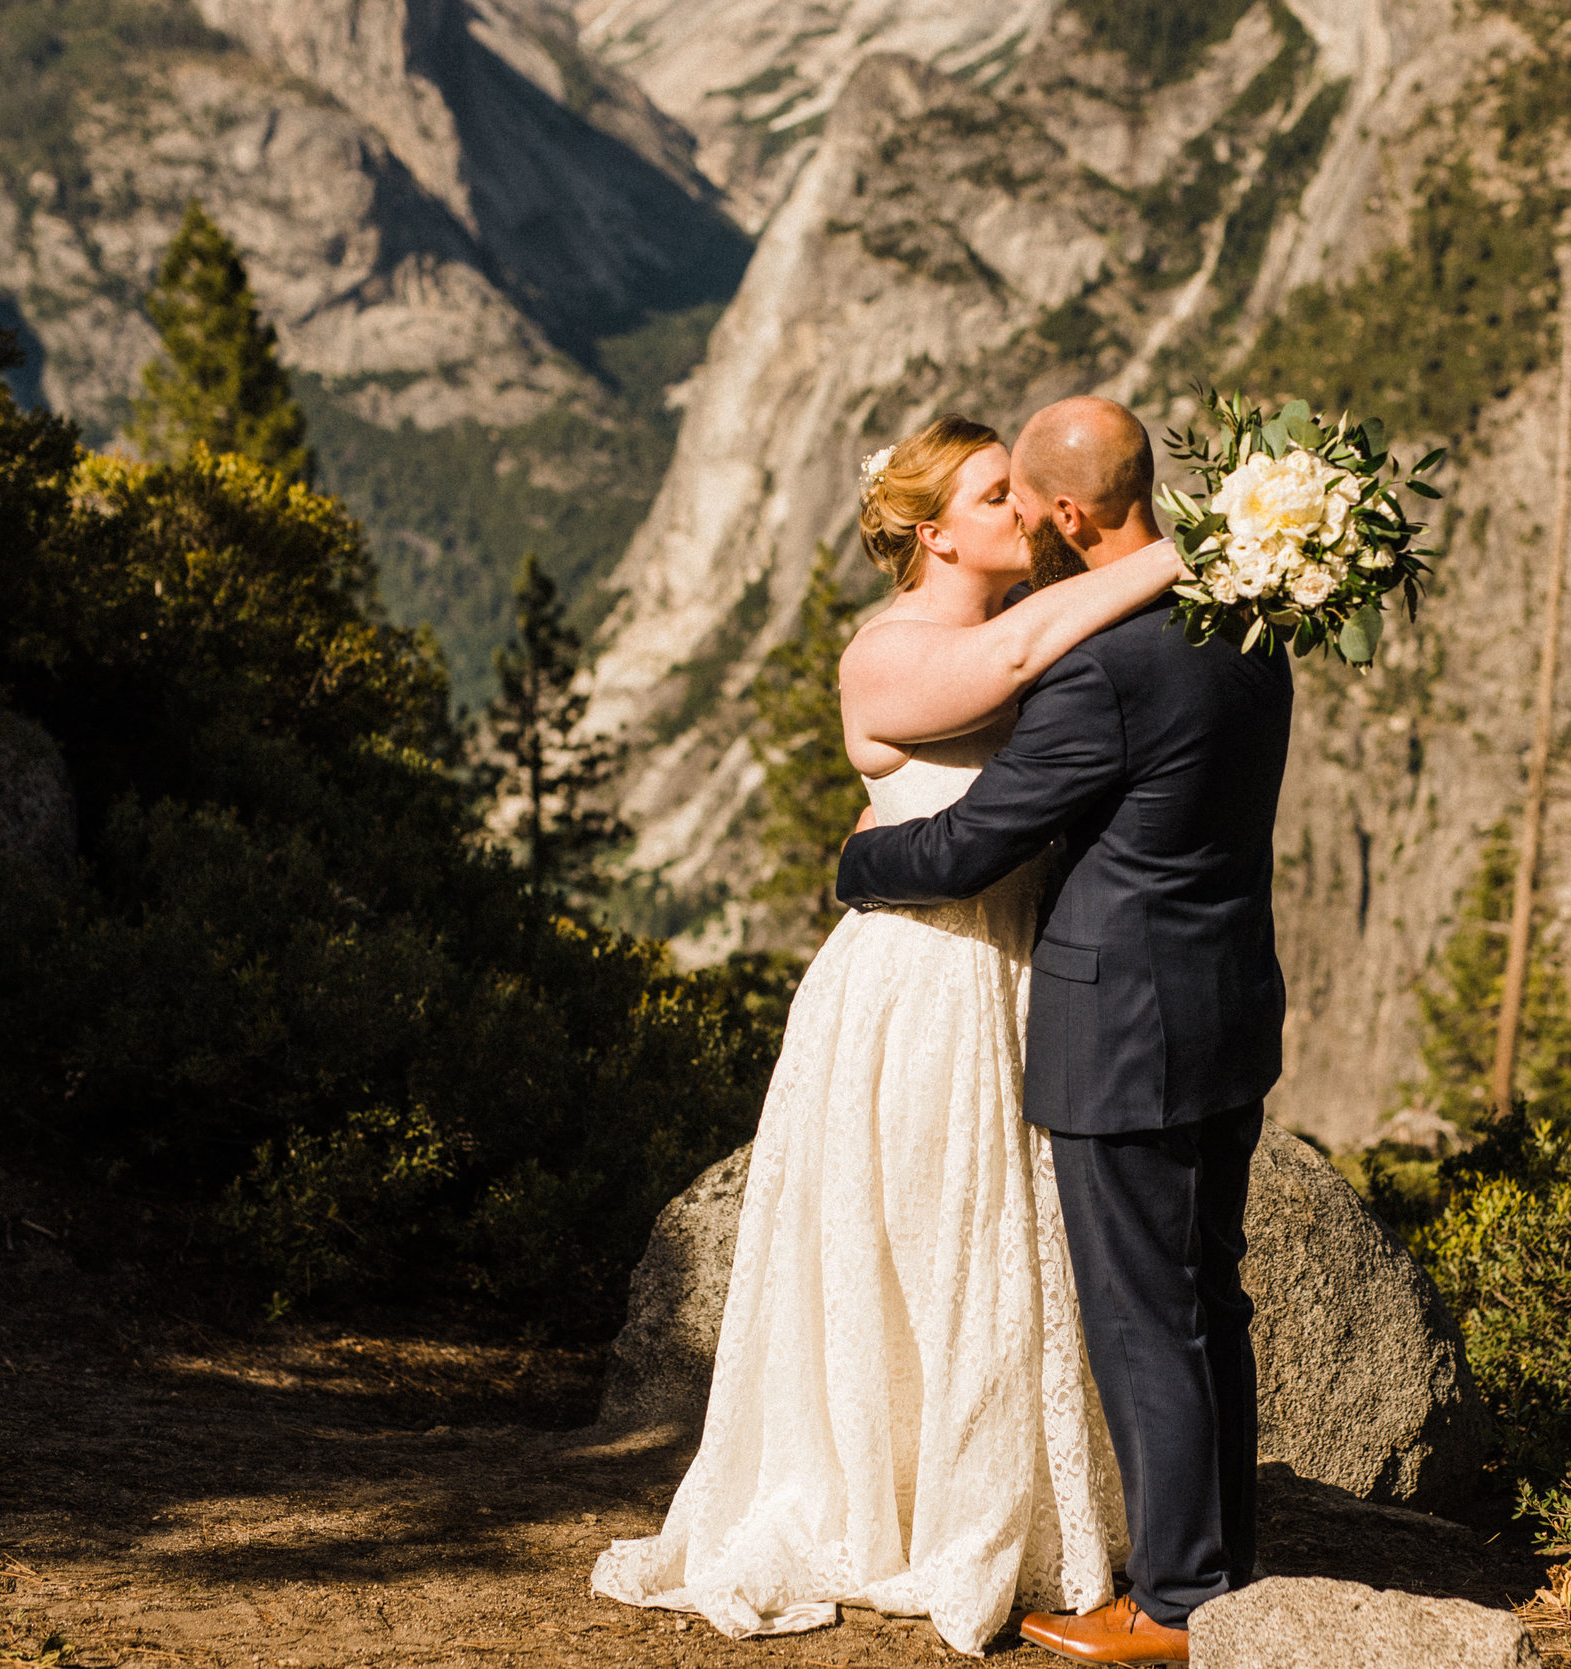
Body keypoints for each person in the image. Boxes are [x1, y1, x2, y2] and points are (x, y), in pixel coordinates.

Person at [590, 414, 1188, 1655]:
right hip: (920, 985)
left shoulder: (1039, 626)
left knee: (1010, 1255)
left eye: (1023, 493)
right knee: (923, 1245)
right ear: (930, 531)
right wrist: (1215, 552)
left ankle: (998, 1504)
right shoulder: (891, 653)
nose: (1024, 512)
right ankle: (886, 1507)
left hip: (1028, 969)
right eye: (992, 497)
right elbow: (1021, 650)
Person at [837, 396, 1295, 1666]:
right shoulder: (1249, 619)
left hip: (1120, 1025)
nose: (1024, 526)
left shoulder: (1101, 664)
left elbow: (987, 839)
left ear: (1071, 514)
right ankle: (1223, 1560)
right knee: (1208, 1293)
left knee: (1144, 1311)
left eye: (1028, 505)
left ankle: (1176, 1601)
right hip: (1227, 1006)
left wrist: (858, 868)